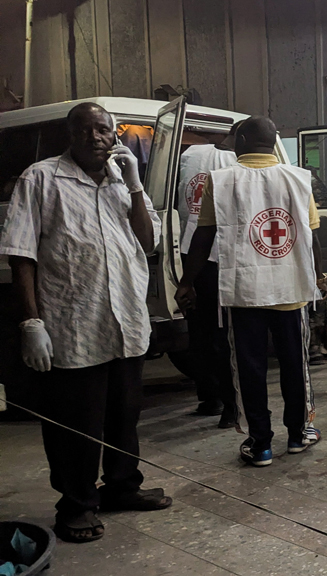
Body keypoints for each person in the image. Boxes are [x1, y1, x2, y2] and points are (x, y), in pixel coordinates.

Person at [1, 102, 172, 543]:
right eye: (85, 130)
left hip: (125, 322)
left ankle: (120, 487)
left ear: (115, 135)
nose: (95, 137)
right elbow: (21, 253)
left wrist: (135, 187)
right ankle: (76, 505)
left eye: (103, 130)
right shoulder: (41, 178)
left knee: (124, 414)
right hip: (72, 324)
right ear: (70, 135)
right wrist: (31, 322)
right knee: (75, 423)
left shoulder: (122, 180)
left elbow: (148, 241)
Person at [175, 116, 324, 468]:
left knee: (250, 368)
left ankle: (260, 444)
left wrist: (187, 281)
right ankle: (299, 433)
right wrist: (319, 276)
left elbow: (203, 236)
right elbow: (312, 235)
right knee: (293, 365)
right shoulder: (299, 178)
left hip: (244, 292)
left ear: (241, 139)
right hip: (291, 289)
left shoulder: (222, 181)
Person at [177, 121, 240, 427]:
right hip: (224, 260)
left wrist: (187, 278)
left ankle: (211, 397)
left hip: (195, 257)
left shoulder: (191, 156)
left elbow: (193, 223)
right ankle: (229, 404)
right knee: (222, 337)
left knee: (202, 333)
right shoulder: (240, 164)